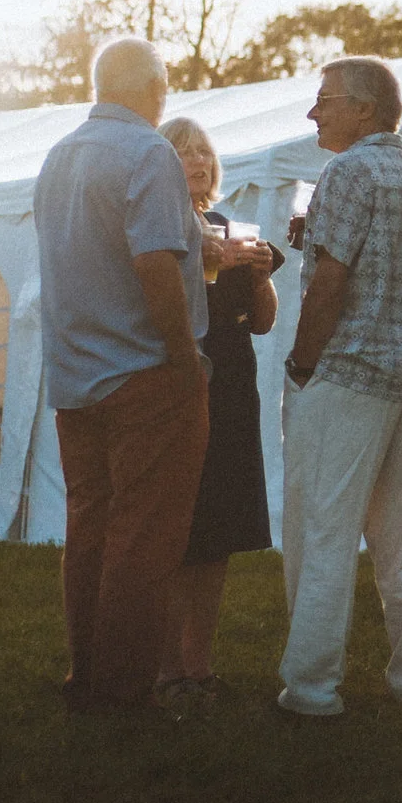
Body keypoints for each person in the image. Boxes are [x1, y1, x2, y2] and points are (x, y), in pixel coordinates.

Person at [34, 37, 210, 715]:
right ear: (153, 88)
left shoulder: (59, 156)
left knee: (91, 530)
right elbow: (154, 264)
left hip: (75, 376)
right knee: (144, 536)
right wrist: (183, 356)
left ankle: (86, 675)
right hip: (144, 371)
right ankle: (125, 691)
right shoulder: (148, 152)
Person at [275, 56, 402, 717]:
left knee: (324, 532)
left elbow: (330, 281)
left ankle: (313, 688)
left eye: (325, 100)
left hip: (348, 374)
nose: (314, 111)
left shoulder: (347, 173)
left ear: (365, 109)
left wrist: (301, 363)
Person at [157, 117, 278, 705]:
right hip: (184, 378)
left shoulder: (230, 225)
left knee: (219, 532)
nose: (198, 162)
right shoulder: (161, 229)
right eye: (183, 154)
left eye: (203, 152)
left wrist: (258, 276)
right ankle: (165, 669)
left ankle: (199, 667)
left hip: (233, 381)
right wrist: (215, 263)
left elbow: (263, 322)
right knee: (181, 529)